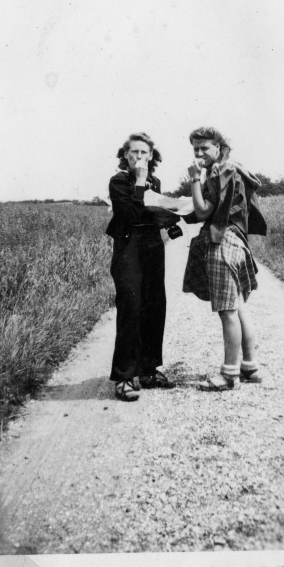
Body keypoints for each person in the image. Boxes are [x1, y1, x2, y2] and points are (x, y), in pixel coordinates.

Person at [182, 126, 267, 391]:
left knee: (227, 312)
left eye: (204, 148)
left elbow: (203, 211)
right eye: (195, 149)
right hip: (238, 241)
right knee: (238, 306)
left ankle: (230, 375)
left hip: (222, 242)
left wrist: (194, 179)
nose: (199, 154)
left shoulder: (218, 171)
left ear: (218, 147)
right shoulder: (234, 168)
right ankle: (250, 366)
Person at [106, 132, 175, 401]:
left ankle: (148, 370)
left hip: (152, 246)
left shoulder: (154, 182)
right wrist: (138, 182)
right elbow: (129, 215)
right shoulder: (119, 181)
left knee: (154, 305)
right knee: (131, 306)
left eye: (143, 152)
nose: (139, 156)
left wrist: (172, 215)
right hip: (128, 246)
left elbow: (151, 212)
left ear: (151, 156)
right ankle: (124, 376)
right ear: (125, 155)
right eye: (133, 152)